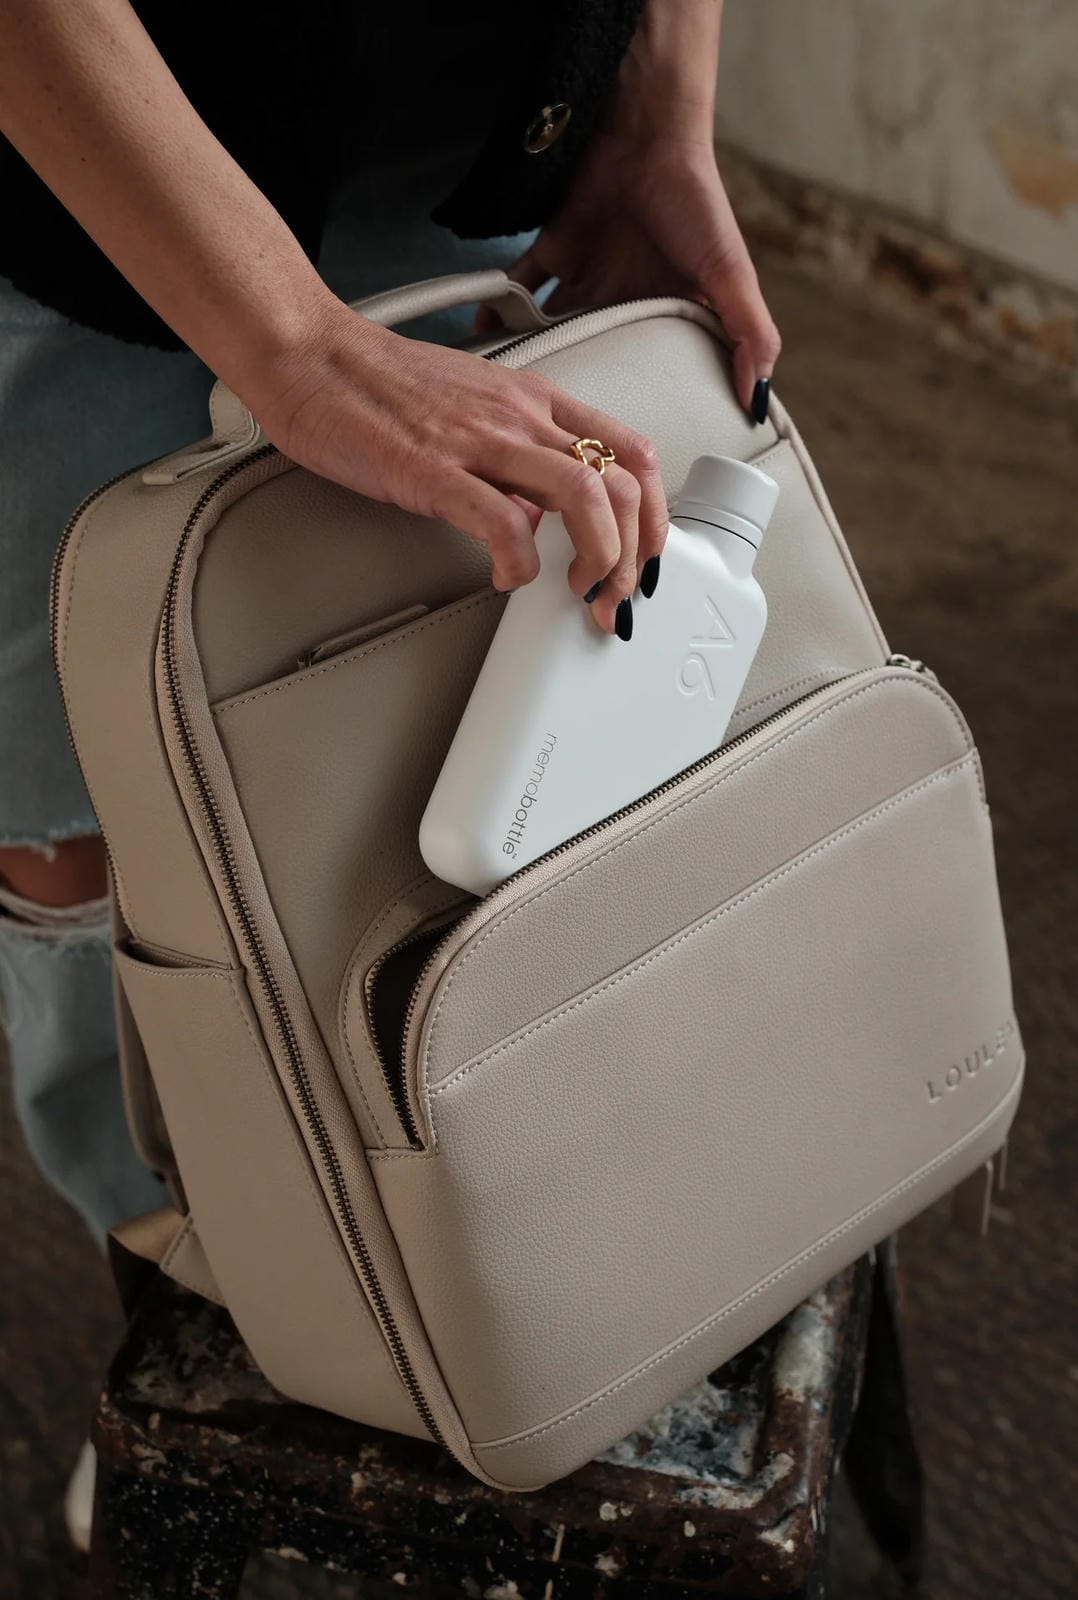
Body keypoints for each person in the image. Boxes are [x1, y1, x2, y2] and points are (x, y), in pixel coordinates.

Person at [0, 0, 779, 1543]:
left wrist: (658, 107)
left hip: (473, 135)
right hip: (79, 153)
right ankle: (208, 1300)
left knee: (442, 749)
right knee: (80, 821)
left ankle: (518, 1226)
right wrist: (290, 344)